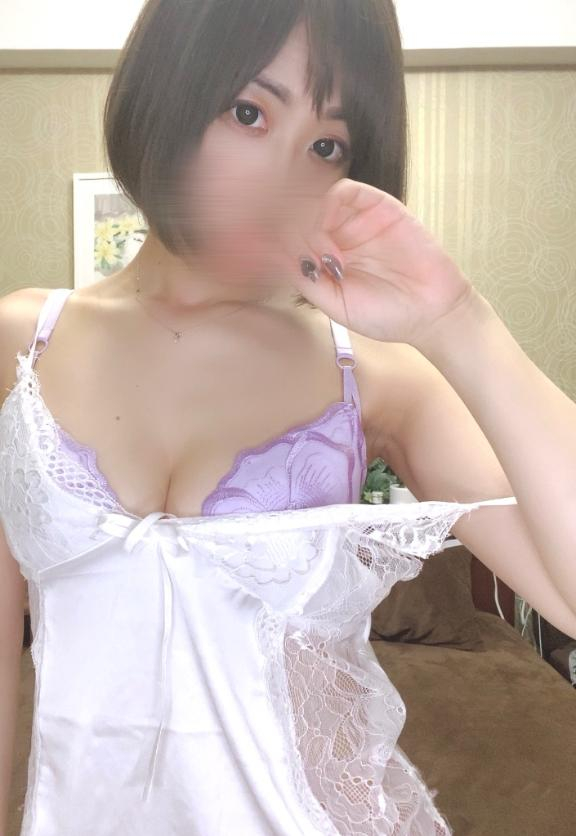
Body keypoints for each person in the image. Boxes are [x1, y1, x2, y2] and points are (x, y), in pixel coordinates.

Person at [2, 1, 576, 834]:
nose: (282, 180)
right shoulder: (23, 342)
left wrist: (457, 321)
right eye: (249, 112)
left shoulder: (375, 375)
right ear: (169, 92)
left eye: (326, 146)